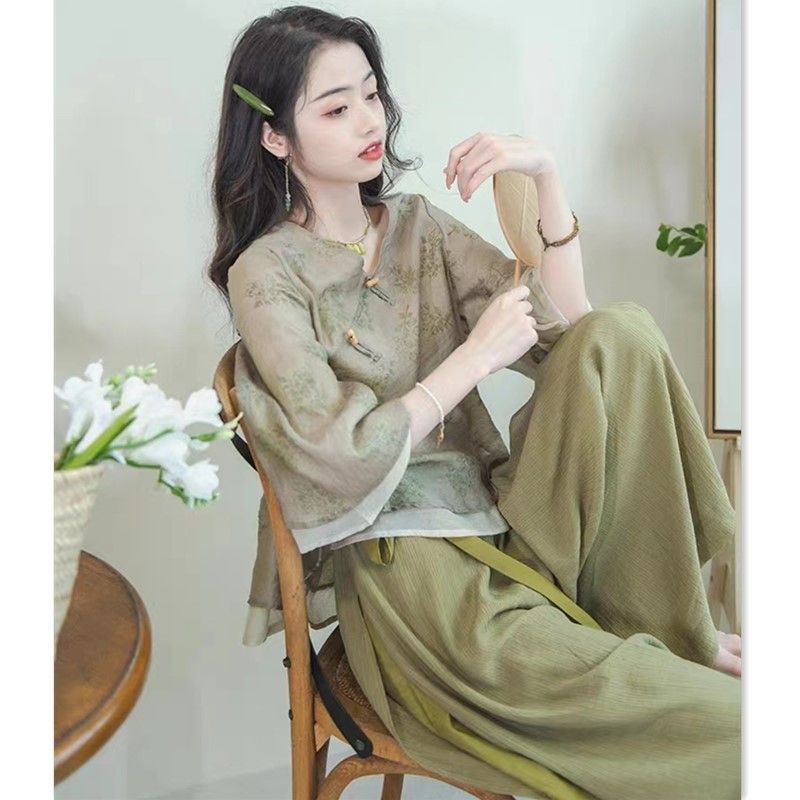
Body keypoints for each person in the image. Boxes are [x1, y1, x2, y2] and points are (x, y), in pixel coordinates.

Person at [206, 6, 741, 799]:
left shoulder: (418, 226)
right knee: (732, 726)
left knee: (622, 332)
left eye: (371, 94)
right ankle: (658, 657)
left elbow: (576, 344)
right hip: (415, 573)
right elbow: (340, 456)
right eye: (336, 108)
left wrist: (546, 179)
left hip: (506, 525)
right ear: (275, 137)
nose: (370, 120)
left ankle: (666, 618)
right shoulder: (266, 272)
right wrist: (472, 358)